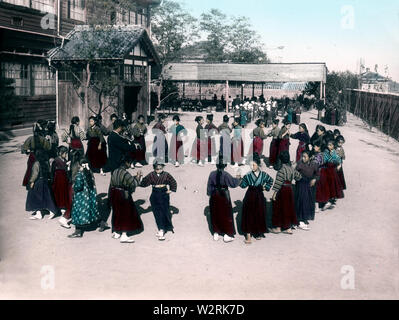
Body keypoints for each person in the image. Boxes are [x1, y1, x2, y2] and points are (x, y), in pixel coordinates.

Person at [240, 154, 274, 245]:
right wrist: (240, 180)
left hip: (259, 196)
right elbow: (243, 185)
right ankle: (248, 235)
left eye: (254, 165)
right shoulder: (248, 175)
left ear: (258, 165)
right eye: (250, 165)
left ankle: (257, 231)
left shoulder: (263, 175)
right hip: (250, 196)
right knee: (249, 214)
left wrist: (265, 187)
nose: (252, 167)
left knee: (258, 213)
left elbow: (270, 180)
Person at [109, 155, 143, 244]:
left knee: (117, 213)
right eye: (129, 162)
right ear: (126, 163)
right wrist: (138, 176)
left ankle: (117, 232)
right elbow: (133, 184)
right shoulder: (125, 173)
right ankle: (124, 235)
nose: (130, 164)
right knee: (125, 213)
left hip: (114, 193)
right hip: (123, 194)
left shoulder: (115, 171)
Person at [140, 162, 178, 241]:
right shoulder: (151, 175)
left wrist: (171, 190)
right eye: (157, 169)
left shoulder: (166, 174)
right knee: (156, 212)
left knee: (164, 211)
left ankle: (162, 229)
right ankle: (161, 228)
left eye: (161, 168)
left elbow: (173, 182)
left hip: (164, 193)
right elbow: (144, 182)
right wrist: (140, 178)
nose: (159, 170)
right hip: (155, 193)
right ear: (154, 168)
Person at [207, 159, 241, 243]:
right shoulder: (225, 175)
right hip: (223, 195)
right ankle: (227, 234)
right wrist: (238, 178)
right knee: (226, 214)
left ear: (216, 165)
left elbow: (209, 187)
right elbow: (233, 183)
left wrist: (210, 195)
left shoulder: (212, 174)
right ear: (225, 166)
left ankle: (216, 232)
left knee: (215, 213)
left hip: (214, 195)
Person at [270, 151, 302, 235]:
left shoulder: (281, 170)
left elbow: (278, 183)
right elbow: (298, 177)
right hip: (289, 189)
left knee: (279, 208)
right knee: (288, 207)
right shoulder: (291, 169)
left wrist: (274, 194)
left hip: (282, 190)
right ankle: (288, 228)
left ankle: (278, 227)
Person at [68, 158, 100, 238]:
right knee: (92, 211)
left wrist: (73, 186)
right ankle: (102, 223)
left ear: (79, 165)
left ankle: (78, 231)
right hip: (89, 196)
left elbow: (78, 186)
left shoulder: (80, 174)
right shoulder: (89, 172)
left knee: (78, 212)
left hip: (81, 197)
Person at [26, 149, 59, 220]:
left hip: (38, 182)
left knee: (35, 197)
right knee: (47, 197)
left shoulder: (36, 163)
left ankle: (38, 214)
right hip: (45, 181)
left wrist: (31, 182)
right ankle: (52, 211)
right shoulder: (45, 162)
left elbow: (35, 174)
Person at [316, 140, 344, 212]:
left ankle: (329, 201)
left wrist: (339, 165)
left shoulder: (335, 152)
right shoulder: (325, 152)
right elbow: (324, 160)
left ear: (333, 146)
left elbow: (339, 159)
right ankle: (327, 201)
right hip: (326, 171)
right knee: (326, 186)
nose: (329, 146)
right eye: (328, 145)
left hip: (332, 172)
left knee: (332, 186)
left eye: (331, 145)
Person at [21, 121, 51, 187]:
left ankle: (29, 182)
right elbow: (48, 148)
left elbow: (24, 149)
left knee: (30, 169)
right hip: (42, 155)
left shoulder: (30, 138)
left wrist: (28, 151)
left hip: (33, 156)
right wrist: (48, 140)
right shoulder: (43, 139)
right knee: (42, 168)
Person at [295, 151, 318, 231]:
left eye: (305, 157)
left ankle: (305, 218)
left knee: (308, 201)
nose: (303, 158)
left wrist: (314, 179)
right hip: (301, 185)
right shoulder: (299, 164)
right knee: (301, 201)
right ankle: (300, 220)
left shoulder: (314, 164)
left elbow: (317, 173)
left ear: (310, 158)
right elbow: (295, 173)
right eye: (302, 156)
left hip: (309, 186)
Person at [51, 146, 71, 221]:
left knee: (64, 193)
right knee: (60, 193)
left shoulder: (64, 160)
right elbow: (52, 171)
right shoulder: (56, 161)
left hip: (64, 180)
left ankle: (63, 207)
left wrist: (68, 166)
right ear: (60, 153)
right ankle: (61, 208)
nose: (66, 155)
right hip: (58, 180)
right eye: (65, 153)